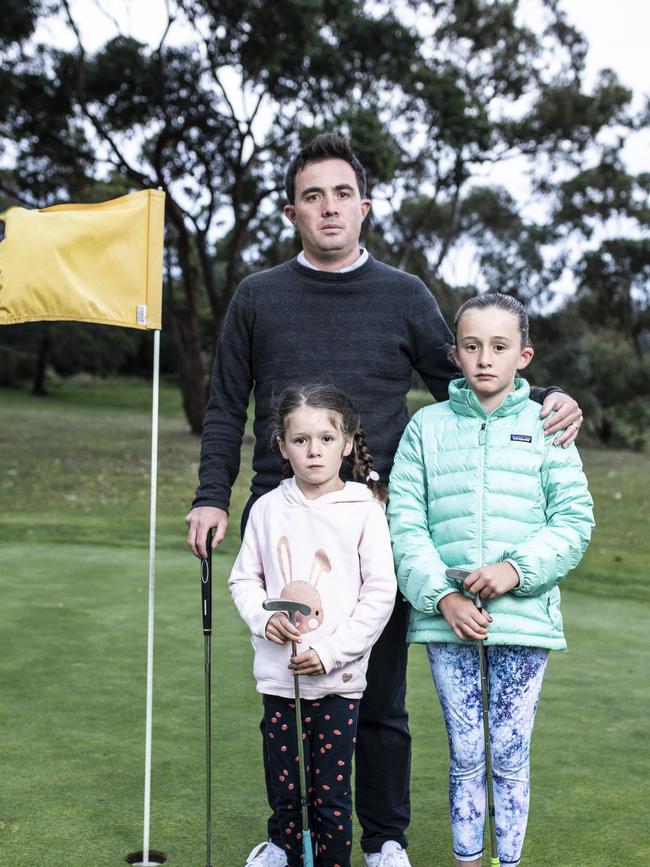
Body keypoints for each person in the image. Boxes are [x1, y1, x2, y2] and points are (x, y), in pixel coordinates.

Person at [186, 133, 584, 867]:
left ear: (363, 207)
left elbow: (467, 379)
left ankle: (384, 838)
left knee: (377, 697)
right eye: (313, 196)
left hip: (378, 521)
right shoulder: (256, 295)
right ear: (292, 211)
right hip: (282, 516)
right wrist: (212, 496)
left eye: (342, 194)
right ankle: (287, 834)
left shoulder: (404, 295)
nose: (328, 208)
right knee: (291, 685)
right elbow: (225, 406)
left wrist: (550, 393)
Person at [387, 293, 594, 867]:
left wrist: (514, 571)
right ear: (453, 354)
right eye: (472, 346)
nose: (485, 359)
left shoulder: (547, 425)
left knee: (508, 752)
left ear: (523, 356)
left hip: (524, 619)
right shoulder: (424, 428)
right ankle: (467, 861)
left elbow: (574, 521)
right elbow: (404, 523)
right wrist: (443, 597)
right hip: (445, 619)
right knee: (465, 753)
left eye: (499, 347)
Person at [228, 384, 397, 867]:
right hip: (280, 682)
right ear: (282, 447)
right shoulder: (266, 509)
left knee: (328, 796)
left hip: (338, 683)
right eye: (300, 440)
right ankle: (285, 851)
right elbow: (244, 579)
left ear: (347, 443)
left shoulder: (365, 508)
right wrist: (265, 618)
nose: (314, 450)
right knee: (285, 790)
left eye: (326, 438)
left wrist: (330, 653)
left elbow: (379, 593)